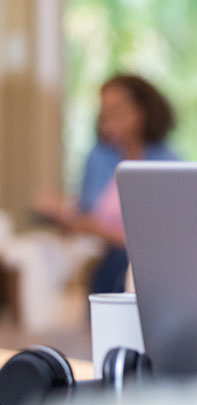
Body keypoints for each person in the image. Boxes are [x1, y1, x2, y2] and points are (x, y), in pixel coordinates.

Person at [35, 74, 178, 294]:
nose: (109, 119)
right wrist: (61, 211)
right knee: (118, 264)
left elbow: (168, 229)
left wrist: (98, 228)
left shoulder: (168, 160)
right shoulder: (99, 157)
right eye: (105, 111)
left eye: (118, 109)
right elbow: (85, 211)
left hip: (154, 258)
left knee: (135, 265)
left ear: (142, 110)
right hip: (111, 257)